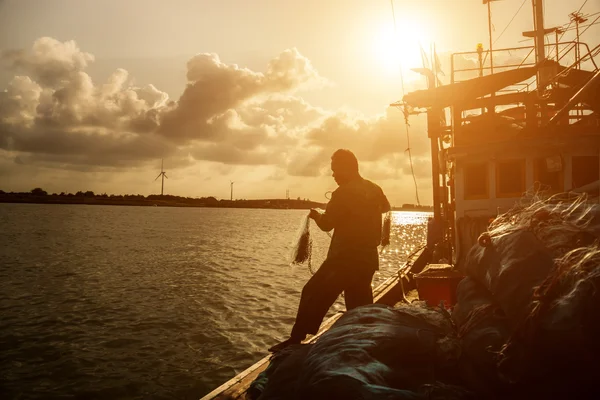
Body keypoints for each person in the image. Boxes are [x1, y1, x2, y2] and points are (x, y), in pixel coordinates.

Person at [269, 149, 391, 352]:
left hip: (343, 259)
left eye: (335, 170)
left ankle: (296, 340)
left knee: (312, 292)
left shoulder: (343, 192)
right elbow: (385, 207)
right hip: (367, 259)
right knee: (358, 304)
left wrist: (316, 215)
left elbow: (327, 224)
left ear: (346, 168)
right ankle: (366, 344)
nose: (333, 175)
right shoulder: (374, 188)